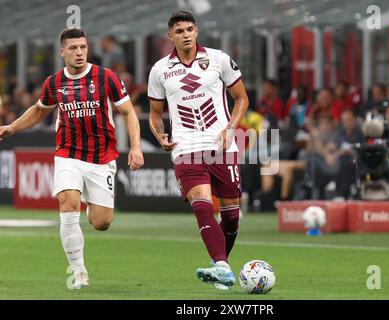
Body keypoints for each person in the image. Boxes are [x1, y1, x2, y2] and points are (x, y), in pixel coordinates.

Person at [0, 28, 144, 289]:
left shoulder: (106, 77)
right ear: (62, 52)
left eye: (83, 47)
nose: (79, 52)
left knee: (101, 223)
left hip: (102, 157)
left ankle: (90, 199)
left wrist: (135, 147)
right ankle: (78, 272)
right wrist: (12, 127)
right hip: (68, 154)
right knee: (67, 203)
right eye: (74, 48)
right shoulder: (53, 82)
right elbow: (38, 111)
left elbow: (128, 112)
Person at [148, 11, 249, 290]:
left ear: (197, 31)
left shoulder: (219, 59)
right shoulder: (160, 70)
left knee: (231, 215)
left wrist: (231, 127)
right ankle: (221, 266)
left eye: (190, 29)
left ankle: (221, 266)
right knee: (202, 205)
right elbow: (155, 114)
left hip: (221, 146)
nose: (186, 35)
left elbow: (241, 98)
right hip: (186, 148)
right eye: (179, 31)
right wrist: (159, 134)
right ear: (171, 36)